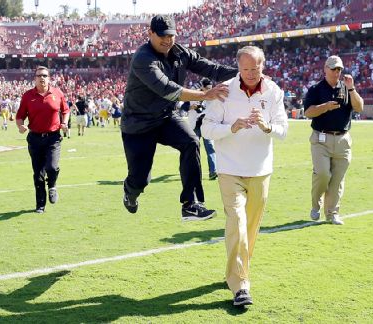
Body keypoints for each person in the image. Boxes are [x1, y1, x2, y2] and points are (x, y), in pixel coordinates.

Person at [121, 14, 238, 220]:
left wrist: (245, 73)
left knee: (191, 141)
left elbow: (211, 69)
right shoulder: (143, 58)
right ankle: (130, 193)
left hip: (166, 116)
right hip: (138, 124)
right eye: (162, 36)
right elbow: (168, 89)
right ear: (150, 33)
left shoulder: (180, 52)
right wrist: (205, 95)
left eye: (171, 36)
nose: (167, 40)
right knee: (140, 179)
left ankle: (191, 204)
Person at [201, 46, 288, 308]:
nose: (250, 74)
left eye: (255, 68)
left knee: (249, 230)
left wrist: (267, 126)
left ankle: (235, 271)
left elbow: (283, 130)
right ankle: (240, 285)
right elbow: (206, 129)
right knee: (237, 223)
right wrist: (232, 127)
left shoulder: (274, 91)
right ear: (238, 67)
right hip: (229, 169)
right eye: (245, 69)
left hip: (261, 170)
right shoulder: (223, 90)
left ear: (263, 66)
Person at [304, 55, 364, 225]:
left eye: (339, 69)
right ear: (325, 69)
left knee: (337, 180)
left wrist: (351, 89)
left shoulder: (346, 88)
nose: (337, 72)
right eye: (333, 69)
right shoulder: (316, 89)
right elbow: (308, 112)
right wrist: (325, 107)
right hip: (321, 139)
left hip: (342, 140)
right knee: (322, 174)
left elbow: (359, 107)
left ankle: (332, 213)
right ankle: (316, 205)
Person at [16, 66, 70, 213]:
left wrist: (64, 123)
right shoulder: (28, 96)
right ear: (34, 79)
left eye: (45, 75)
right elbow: (20, 116)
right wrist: (20, 126)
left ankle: (52, 185)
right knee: (38, 173)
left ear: (49, 78)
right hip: (35, 138)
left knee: (52, 167)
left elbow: (66, 110)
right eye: (39, 75)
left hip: (53, 137)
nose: (42, 78)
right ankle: (40, 205)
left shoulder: (57, 93)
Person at [184, 78, 218, 180]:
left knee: (210, 148)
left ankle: (213, 171)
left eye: (210, 88)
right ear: (202, 87)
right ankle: (194, 173)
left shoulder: (212, 96)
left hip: (207, 125)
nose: (209, 90)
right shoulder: (192, 95)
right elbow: (183, 107)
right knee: (194, 150)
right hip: (195, 126)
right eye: (207, 88)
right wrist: (192, 107)